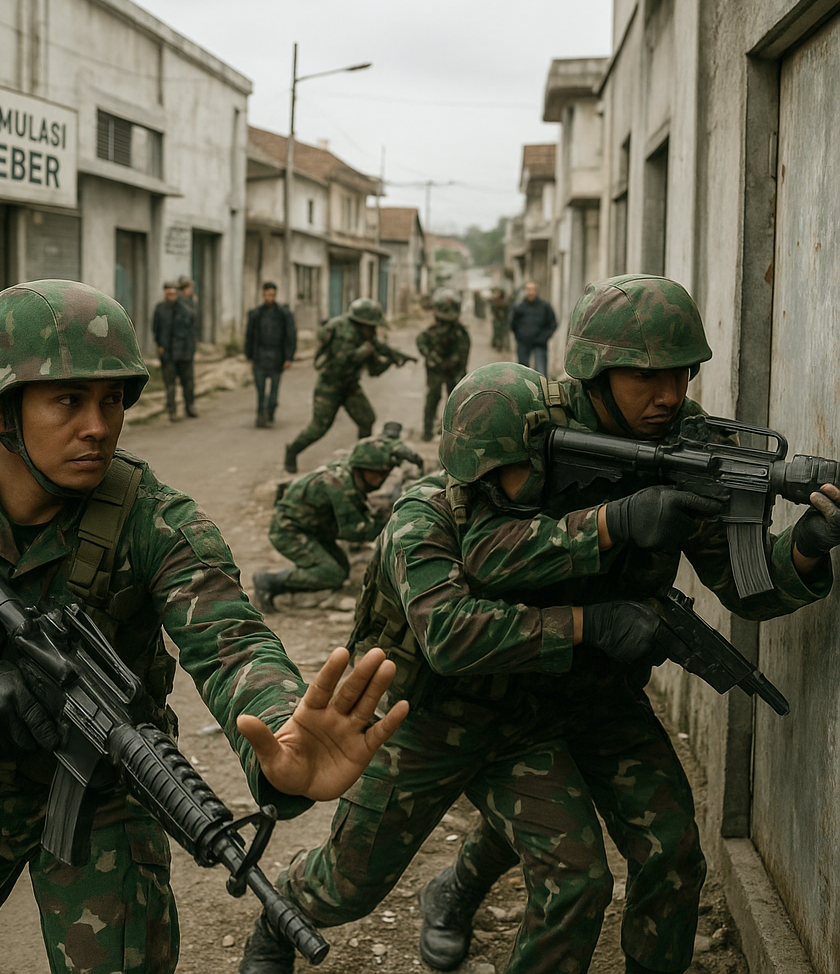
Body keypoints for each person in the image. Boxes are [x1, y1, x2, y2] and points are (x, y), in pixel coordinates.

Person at [239, 274, 840, 974]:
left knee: (639, 859)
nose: (670, 393)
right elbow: (474, 582)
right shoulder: (515, 446)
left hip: (581, 692)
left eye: (682, 372)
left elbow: (744, 584)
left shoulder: (684, 446)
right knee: (351, 881)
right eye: (647, 376)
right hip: (448, 707)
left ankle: (459, 888)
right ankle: (281, 925)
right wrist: (613, 537)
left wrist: (804, 547)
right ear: (591, 369)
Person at [0, 279, 409, 974]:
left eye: (111, 400)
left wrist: (280, 737)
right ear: (1, 411)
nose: (98, 426)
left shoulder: (155, 517)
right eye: (68, 401)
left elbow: (232, 641)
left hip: (103, 796)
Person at [252, 434, 402, 613]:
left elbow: (382, 446)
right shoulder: (340, 485)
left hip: (313, 529)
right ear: (362, 467)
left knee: (341, 569)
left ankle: (290, 583)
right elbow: (356, 531)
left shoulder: (350, 472)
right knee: (332, 574)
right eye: (378, 473)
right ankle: (269, 581)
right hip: (288, 530)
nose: (382, 478)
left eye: (385, 474)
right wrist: (388, 517)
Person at [283, 298, 413, 474]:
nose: (374, 330)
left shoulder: (364, 335)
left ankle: (361, 459)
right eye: (372, 326)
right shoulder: (345, 335)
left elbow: (375, 363)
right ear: (362, 324)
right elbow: (340, 364)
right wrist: (365, 353)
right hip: (330, 387)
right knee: (318, 428)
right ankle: (292, 450)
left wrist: (393, 358)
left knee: (367, 419)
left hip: (350, 386)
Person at [416, 289, 470, 442]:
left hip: (454, 370)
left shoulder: (459, 332)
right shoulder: (432, 330)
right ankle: (427, 431)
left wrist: (452, 363)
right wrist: (433, 358)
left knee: (456, 399)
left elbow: (463, 352)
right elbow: (421, 342)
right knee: (433, 395)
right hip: (436, 369)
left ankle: (452, 431)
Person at [245, 281, 297, 428]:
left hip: (276, 356)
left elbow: (290, 336)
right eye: (266, 295)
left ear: (275, 295)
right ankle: (261, 413)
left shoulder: (283, 314)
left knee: (274, 389)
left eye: (272, 295)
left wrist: (288, 357)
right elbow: (249, 335)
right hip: (260, 355)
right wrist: (249, 354)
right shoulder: (256, 314)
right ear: (263, 295)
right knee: (260, 389)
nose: (269, 297)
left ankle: (271, 411)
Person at [152, 278, 198, 420]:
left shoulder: (186, 308)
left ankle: (189, 406)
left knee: (188, 382)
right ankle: (172, 410)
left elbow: (192, 329)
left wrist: (191, 349)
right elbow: (155, 328)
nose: (170, 296)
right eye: (168, 294)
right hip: (168, 352)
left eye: (172, 293)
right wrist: (159, 345)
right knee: (170, 384)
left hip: (184, 352)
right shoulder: (160, 308)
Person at [509, 280, 557, 375]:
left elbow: (552, 324)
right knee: (522, 372)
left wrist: (544, 338)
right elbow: (513, 324)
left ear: (537, 291)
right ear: (525, 291)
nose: (530, 292)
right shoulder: (519, 306)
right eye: (528, 289)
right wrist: (519, 336)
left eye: (533, 289)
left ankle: (541, 389)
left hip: (540, 344)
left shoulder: (544, 306)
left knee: (541, 372)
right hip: (523, 343)